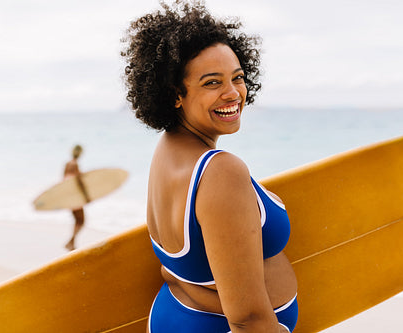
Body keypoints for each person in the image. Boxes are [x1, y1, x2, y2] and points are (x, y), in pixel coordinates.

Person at [121, 1, 298, 332]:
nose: (233, 94)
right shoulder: (220, 172)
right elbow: (247, 319)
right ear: (175, 94)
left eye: (238, 78)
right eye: (212, 83)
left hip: (177, 313)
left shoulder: (168, 150)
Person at [63, 144, 89, 251]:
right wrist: (87, 196)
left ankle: (71, 243)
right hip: (75, 197)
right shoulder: (75, 165)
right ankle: (71, 242)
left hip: (68, 197)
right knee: (81, 221)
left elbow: (63, 181)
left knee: (77, 220)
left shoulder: (67, 164)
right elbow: (79, 182)